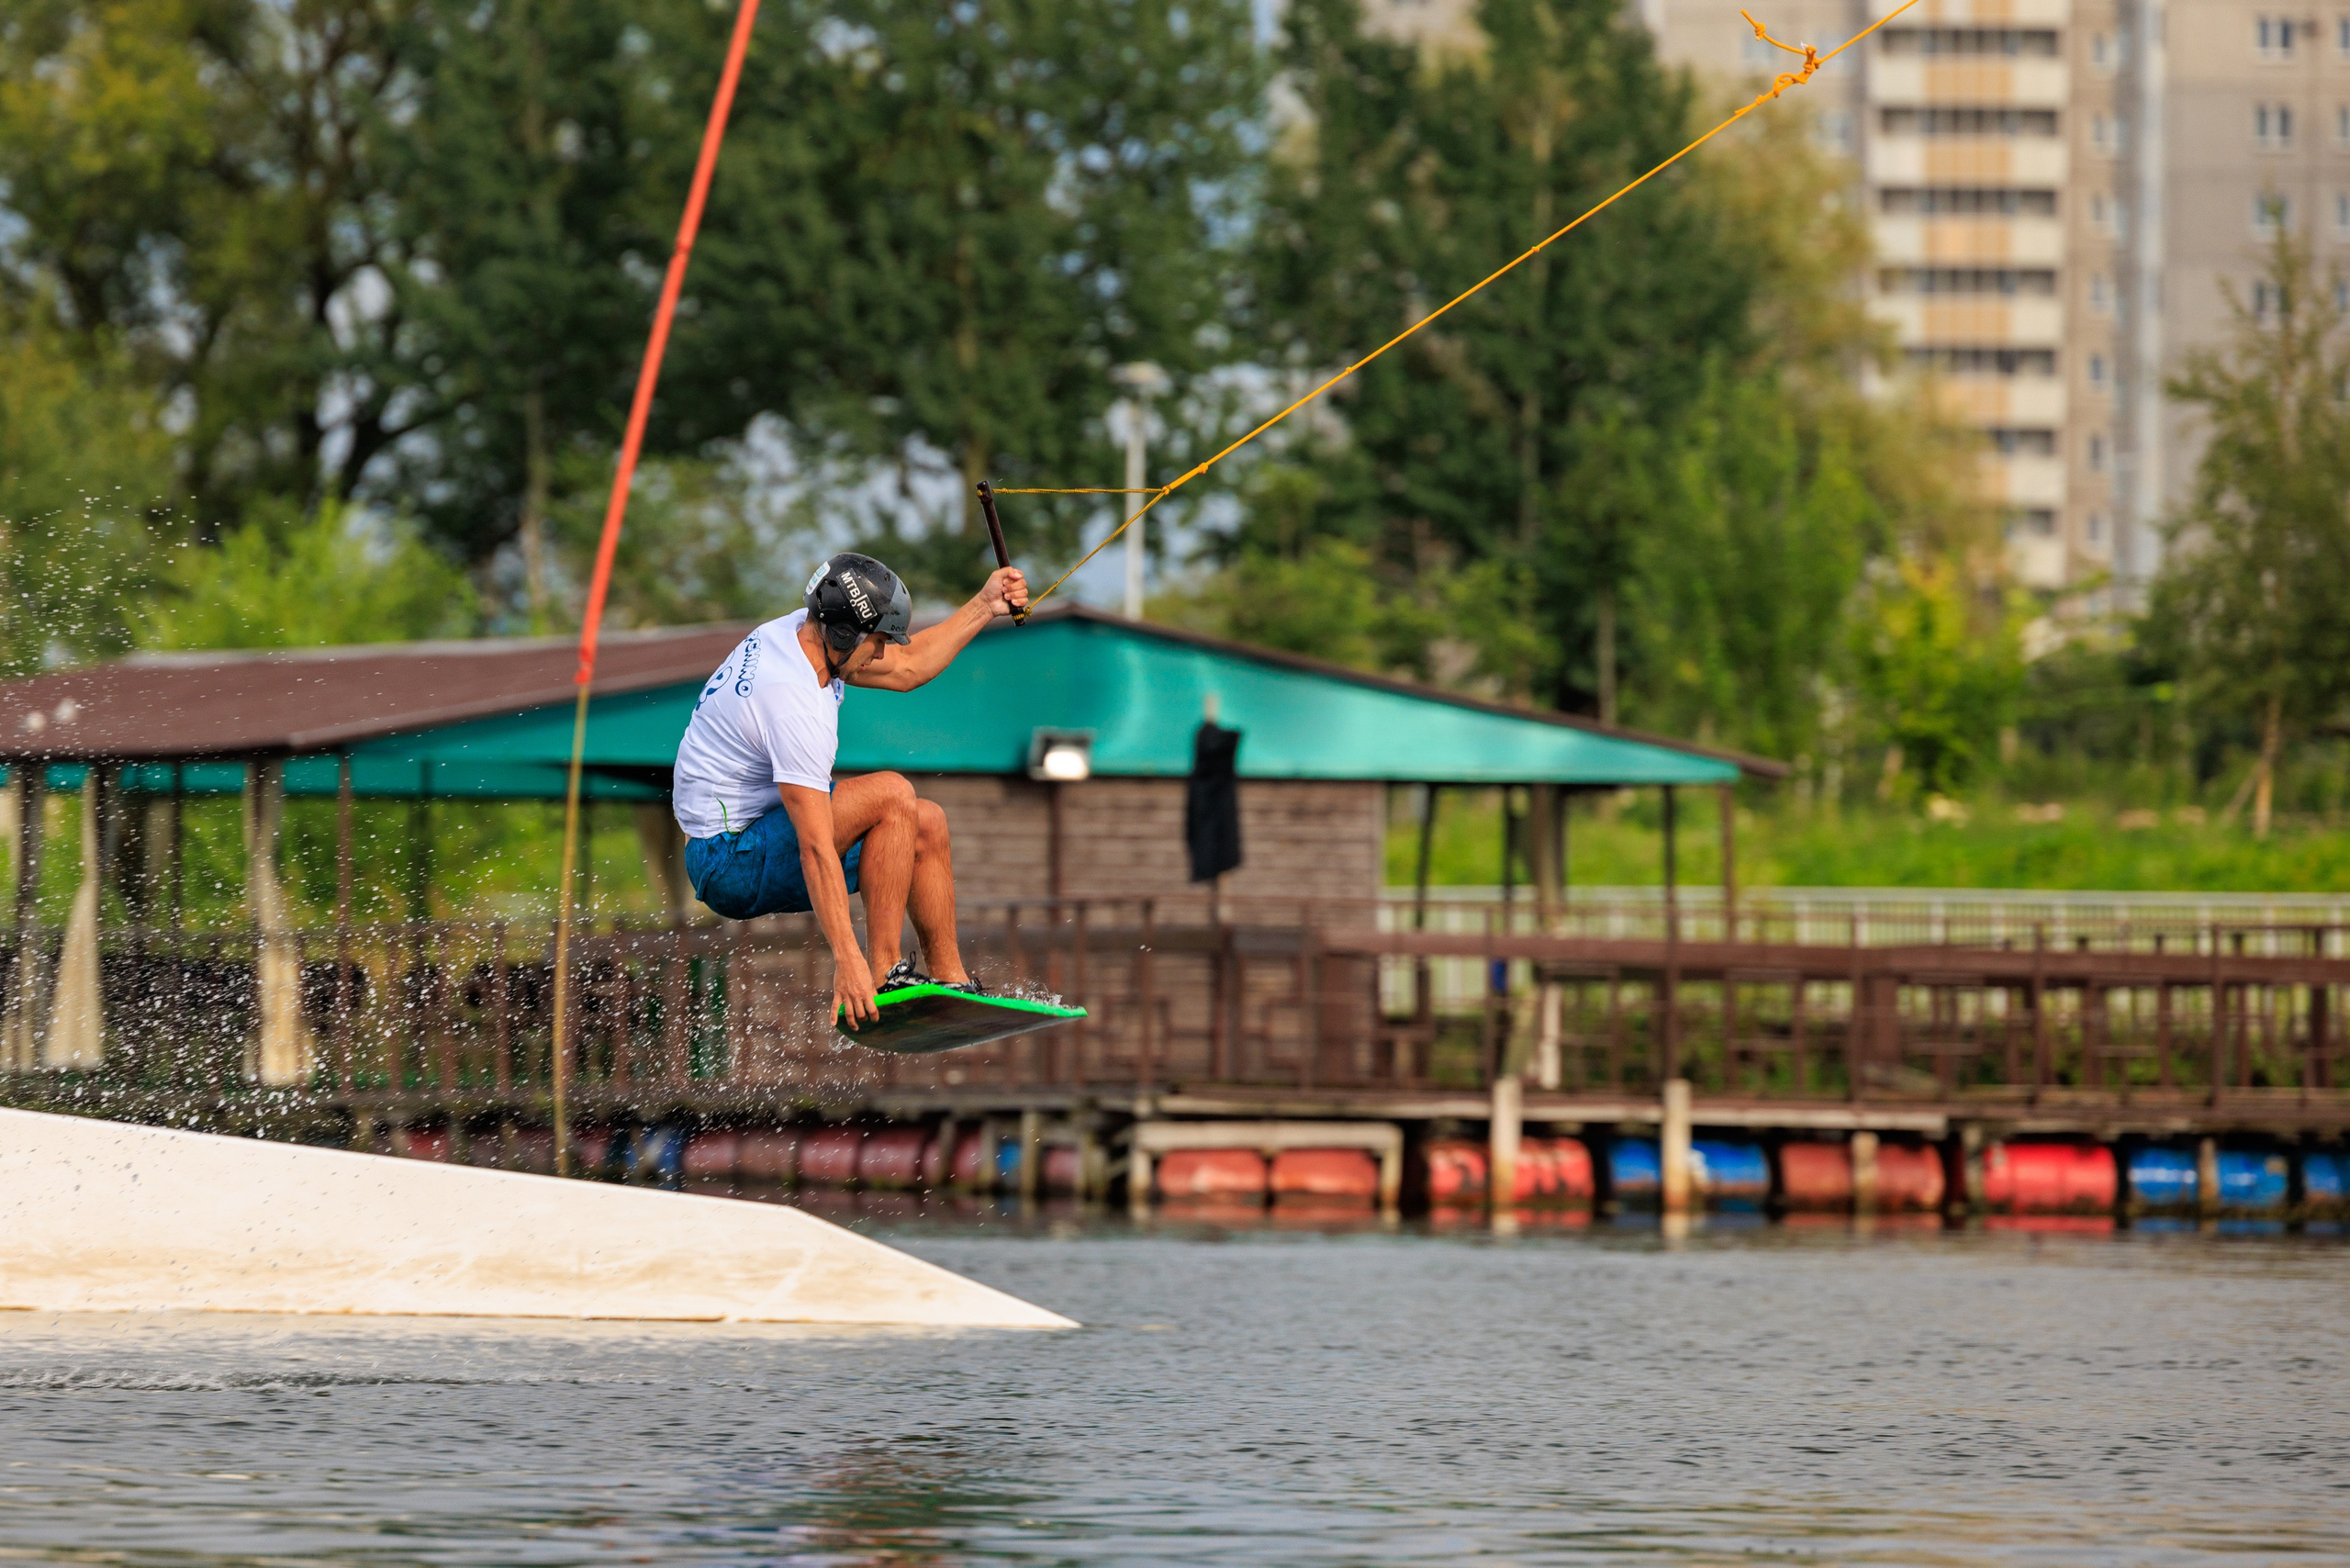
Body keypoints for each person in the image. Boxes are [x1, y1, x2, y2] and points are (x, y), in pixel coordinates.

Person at [671, 552, 1028, 1029]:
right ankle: (880, 975)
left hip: (757, 837)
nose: (882, 653)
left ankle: (951, 983)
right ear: (845, 635)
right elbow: (816, 849)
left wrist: (985, 605)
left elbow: (908, 668)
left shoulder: (809, 631)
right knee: (892, 793)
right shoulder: (792, 701)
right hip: (727, 860)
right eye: (878, 642)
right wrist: (847, 962)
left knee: (927, 823)